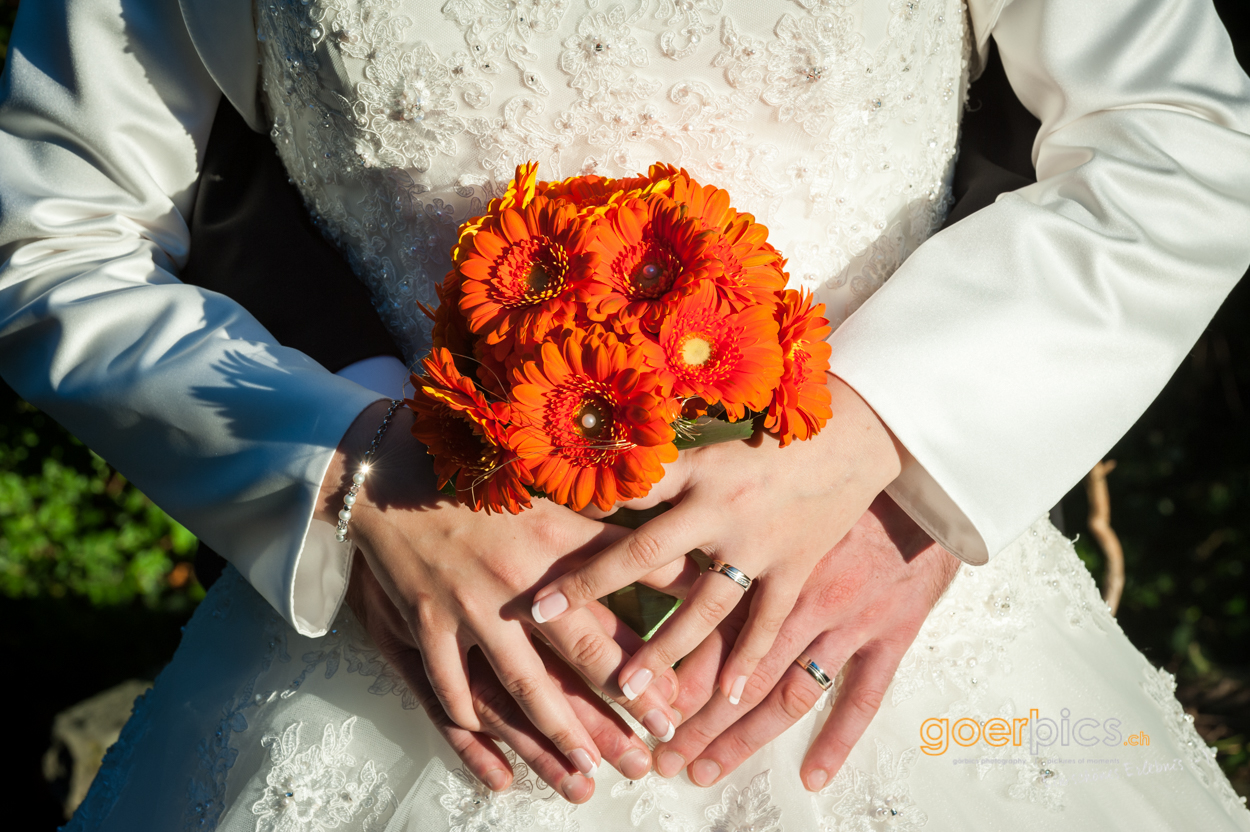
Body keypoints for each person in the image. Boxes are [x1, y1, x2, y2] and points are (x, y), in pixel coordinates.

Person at [1, 1, 1249, 830]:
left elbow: (1182, 138)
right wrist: (346, 481)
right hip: (409, 644)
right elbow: (52, 230)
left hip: (879, 630)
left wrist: (897, 446)